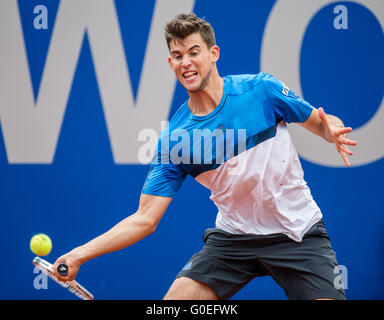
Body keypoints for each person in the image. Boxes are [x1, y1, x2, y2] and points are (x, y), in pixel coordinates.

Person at [53, 13, 357, 300]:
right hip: (233, 240)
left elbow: (322, 123)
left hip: (298, 232)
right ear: (170, 63)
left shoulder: (262, 90)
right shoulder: (175, 139)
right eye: (177, 56)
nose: (185, 62)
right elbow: (144, 219)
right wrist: (79, 254)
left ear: (214, 53)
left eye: (193, 52)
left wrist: (332, 129)